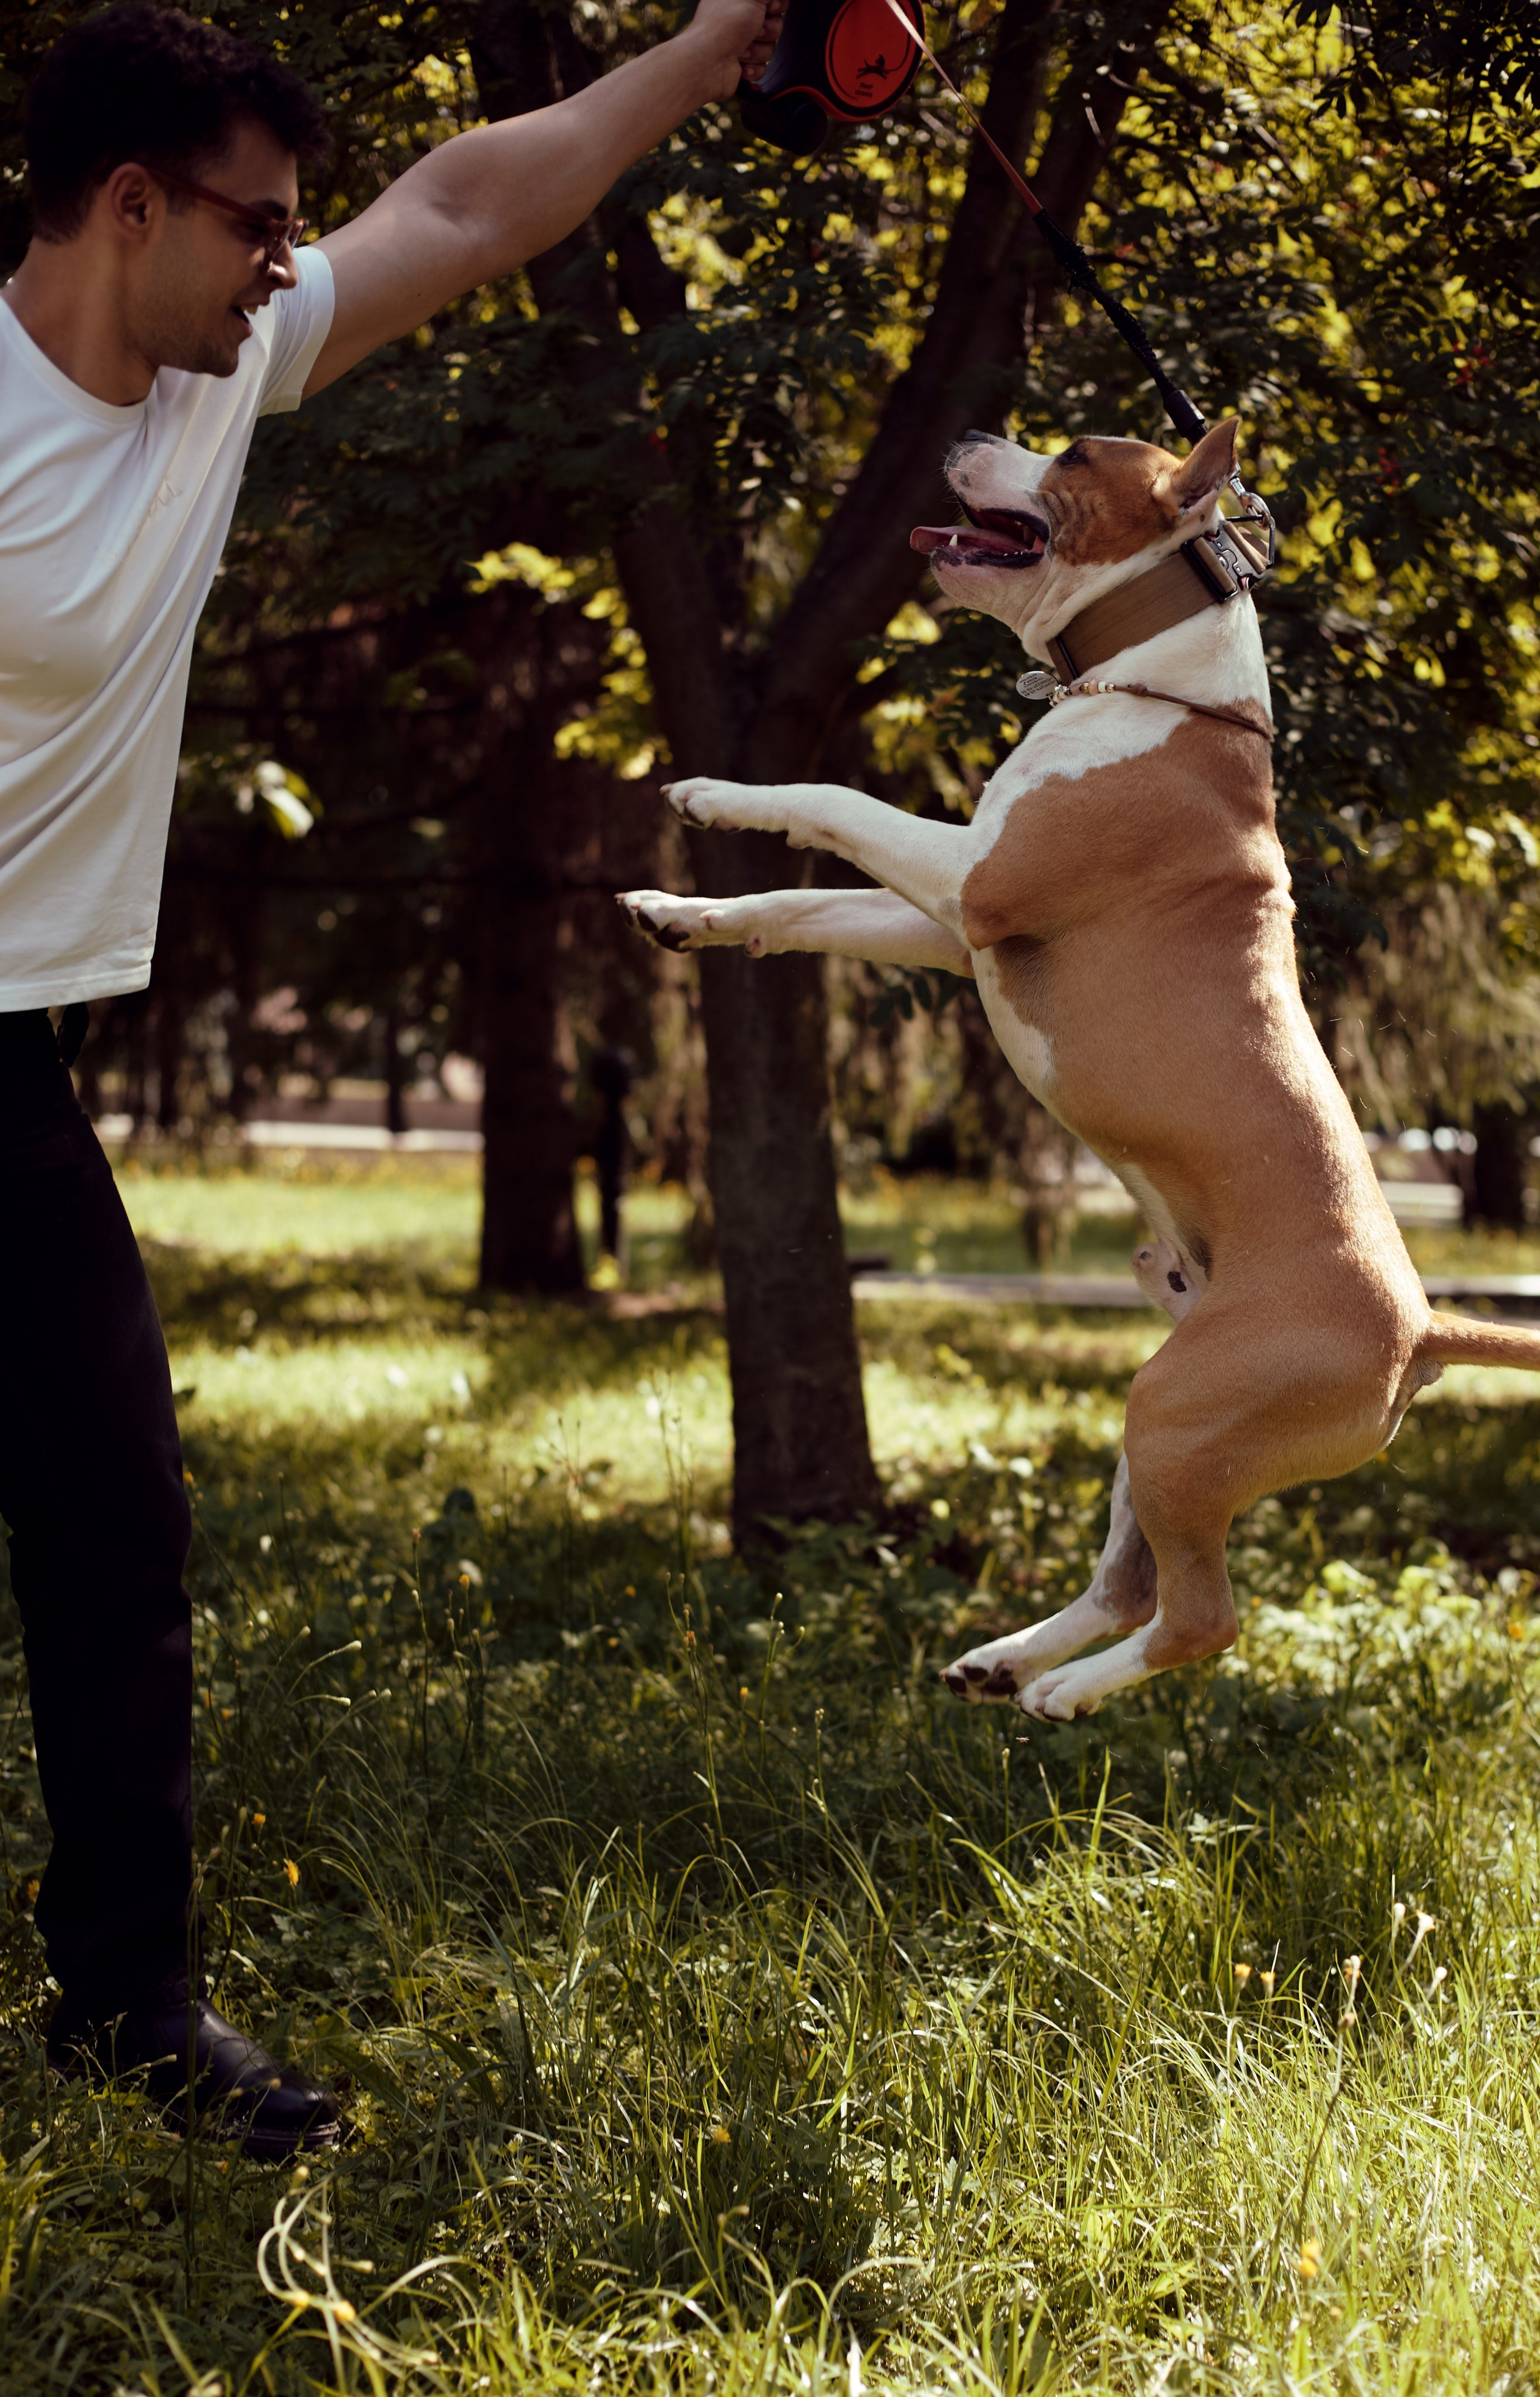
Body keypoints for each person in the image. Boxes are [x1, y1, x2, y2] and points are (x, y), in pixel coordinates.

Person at [1, 0, 781, 2162]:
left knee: (108, 1512)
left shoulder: (212, 367)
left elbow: (464, 198)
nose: (286, 263)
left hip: (7, 1056)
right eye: (253, 226)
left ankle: (128, 2001)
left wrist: (714, 49)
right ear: (126, 205)